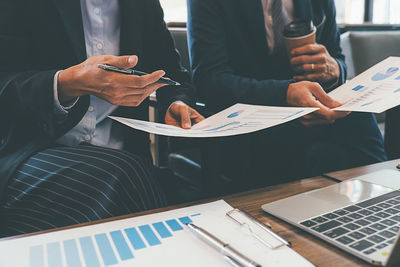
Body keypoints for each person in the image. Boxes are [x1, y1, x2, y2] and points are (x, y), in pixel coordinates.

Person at [0, 0, 204, 236]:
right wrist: (66, 83)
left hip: (124, 156)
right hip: (30, 151)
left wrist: (175, 102)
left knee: (166, 185)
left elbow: (171, 71)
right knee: (125, 178)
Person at [188, 0, 387, 193]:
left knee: (358, 115)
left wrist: (333, 68)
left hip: (313, 111)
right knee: (321, 155)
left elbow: (337, 57)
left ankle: (384, 203)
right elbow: (209, 81)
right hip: (253, 119)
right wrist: (286, 94)